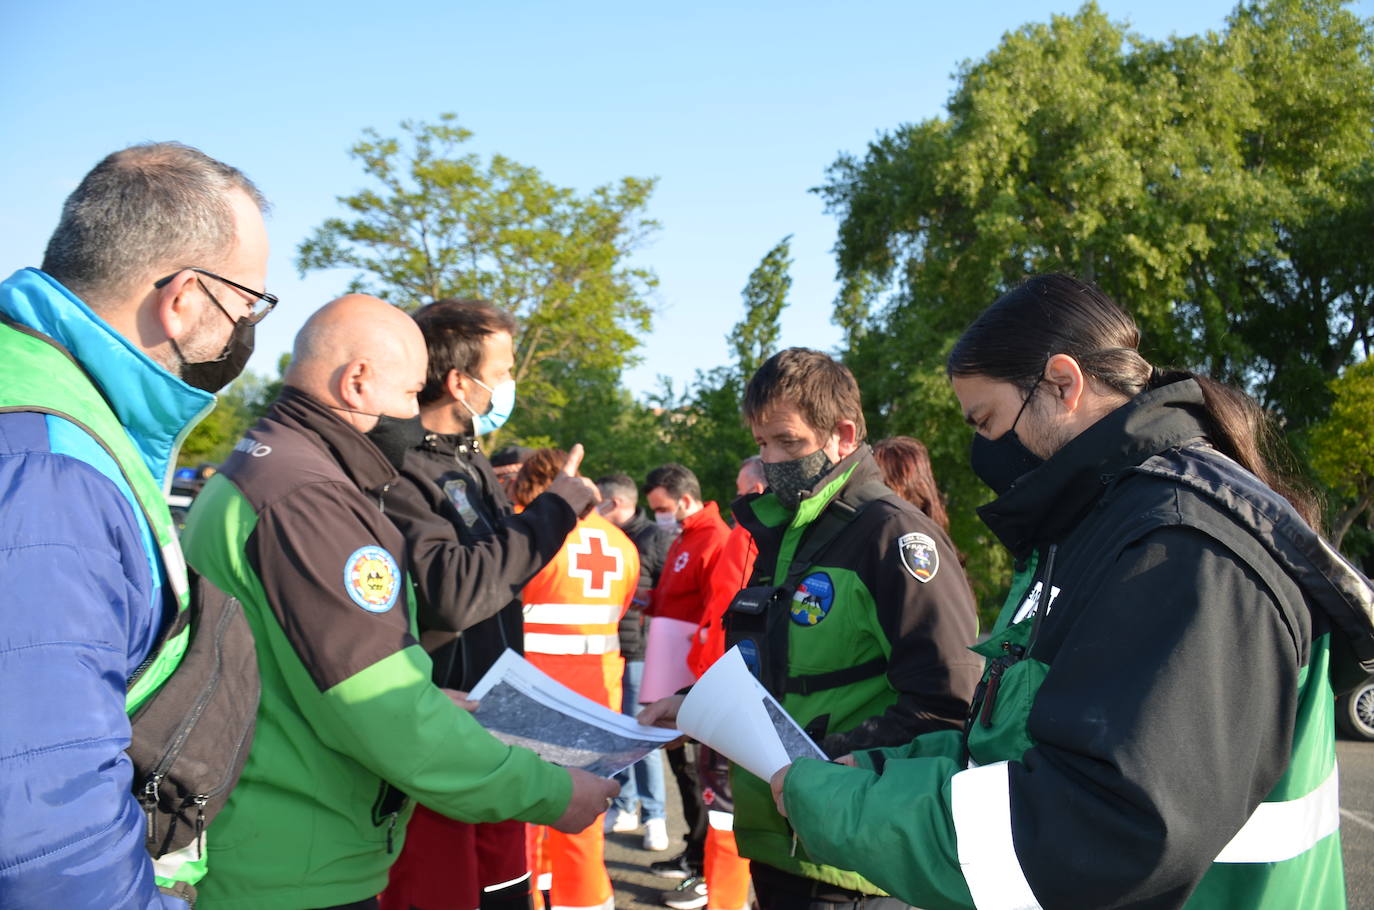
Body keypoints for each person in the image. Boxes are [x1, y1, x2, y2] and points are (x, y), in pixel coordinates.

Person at [771, 274, 1370, 909]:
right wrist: (877, 773)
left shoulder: (1179, 548)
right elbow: (1011, 744)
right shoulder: (1091, 528)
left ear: (1062, 382)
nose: (984, 450)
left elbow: (1097, 829)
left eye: (988, 420)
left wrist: (839, 806)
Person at [180, 295, 615, 910]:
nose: (416, 414)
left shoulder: (266, 471)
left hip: (283, 838)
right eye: (412, 393)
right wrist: (550, 791)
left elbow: (300, 668)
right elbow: (385, 711)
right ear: (358, 382)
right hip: (293, 860)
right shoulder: (310, 501)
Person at [0, 142, 271, 909]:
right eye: (247, 306)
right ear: (184, 298)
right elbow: (46, 834)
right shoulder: (52, 470)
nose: (245, 332)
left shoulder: (47, 396)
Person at [643, 347, 982, 910]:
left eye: (789, 443)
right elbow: (773, 668)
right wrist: (693, 704)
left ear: (843, 435)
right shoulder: (784, 534)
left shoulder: (892, 538)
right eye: (761, 445)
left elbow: (948, 704)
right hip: (780, 842)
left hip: (852, 856)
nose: (772, 460)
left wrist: (822, 768)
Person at [379, 298, 599, 910]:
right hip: (439, 741)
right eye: (502, 373)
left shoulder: (470, 461)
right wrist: (555, 509)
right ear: (459, 383)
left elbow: (498, 581)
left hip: (495, 732)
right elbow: (452, 591)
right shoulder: (402, 469)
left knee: (504, 892)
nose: (509, 387)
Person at [514, 450, 641, 910]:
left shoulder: (532, 534)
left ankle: (534, 896)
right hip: (598, 694)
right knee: (583, 817)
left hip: (534, 695)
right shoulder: (622, 544)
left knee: (527, 814)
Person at [641, 462, 733, 892]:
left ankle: (702, 859)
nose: (658, 515)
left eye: (661, 507)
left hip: (692, 673)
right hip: (671, 668)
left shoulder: (714, 538)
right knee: (681, 765)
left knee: (699, 772)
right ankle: (693, 848)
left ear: (683, 498)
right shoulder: (684, 535)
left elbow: (716, 611)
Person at [595, 472, 676, 850]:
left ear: (615, 504)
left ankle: (656, 816)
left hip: (641, 653)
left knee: (641, 736)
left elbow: (670, 598)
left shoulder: (655, 538)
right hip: (609, 651)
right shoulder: (607, 538)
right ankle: (625, 805)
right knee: (616, 733)